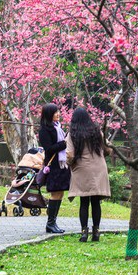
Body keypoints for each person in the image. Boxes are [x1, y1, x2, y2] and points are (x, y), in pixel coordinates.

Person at [65, 108, 111, 242]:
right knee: (96, 201)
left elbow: (70, 154)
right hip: (98, 167)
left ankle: (84, 232)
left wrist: (70, 164)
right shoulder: (97, 131)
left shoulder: (72, 134)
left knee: (84, 202)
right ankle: (96, 232)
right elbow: (107, 148)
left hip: (82, 168)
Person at [38, 103, 71, 234]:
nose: (58, 114)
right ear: (48, 114)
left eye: (58, 112)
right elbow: (49, 149)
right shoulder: (45, 130)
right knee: (55, 193)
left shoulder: (58, 128)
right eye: (55, 112)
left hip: (62, 164)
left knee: (60, 193)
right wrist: (64, 143)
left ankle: (53, 222)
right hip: (54, 166)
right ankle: (50, 223)